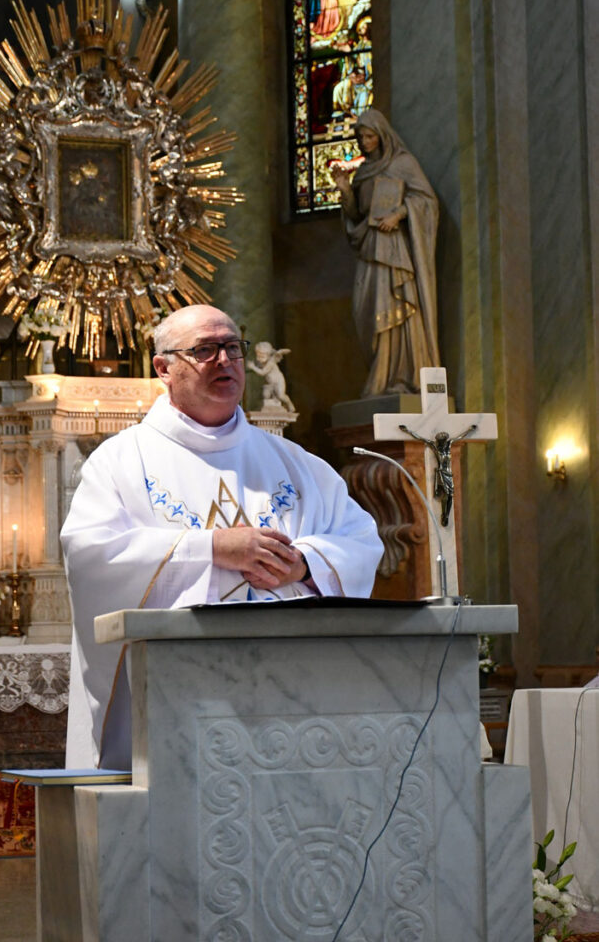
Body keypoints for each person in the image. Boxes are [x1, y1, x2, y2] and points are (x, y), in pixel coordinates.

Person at [61, 305, 383, 769]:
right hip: (176, 697)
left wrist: (304, 563)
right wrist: (211, 548)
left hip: (292, 692)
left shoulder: (295, 462)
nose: (225, 360)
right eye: (204, 350)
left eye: (232, 347)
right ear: (163, 368)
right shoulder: (120, 462)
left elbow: (360, 539)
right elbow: (90, 553)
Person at [332, 108, 440, 396]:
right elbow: (357, 215)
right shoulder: (363, 172)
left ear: (382, 135)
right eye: (360, 137)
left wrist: (399, 214)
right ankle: (379, 376)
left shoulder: (402, 163)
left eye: (369, 136)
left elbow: (426, 201)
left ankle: (401, 377)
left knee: (394, 306)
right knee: (366, 310)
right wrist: (345, 190)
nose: (364, 142)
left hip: (394, 250)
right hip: (370, 248)